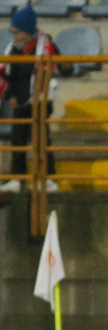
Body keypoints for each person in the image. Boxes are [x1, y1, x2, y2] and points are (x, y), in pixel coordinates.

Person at [0, 4, 72, 193]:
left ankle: (48, 178)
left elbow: (64, 65)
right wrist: (11, 96)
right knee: (17, 140)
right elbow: (8, 75)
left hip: (41, 101)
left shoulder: (46, 45)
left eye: (17, 32)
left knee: (41, 140)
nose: (14, 36)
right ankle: (18, 178)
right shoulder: (12, 50)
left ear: (28, 31)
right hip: (20, 102)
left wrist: (66, 66)